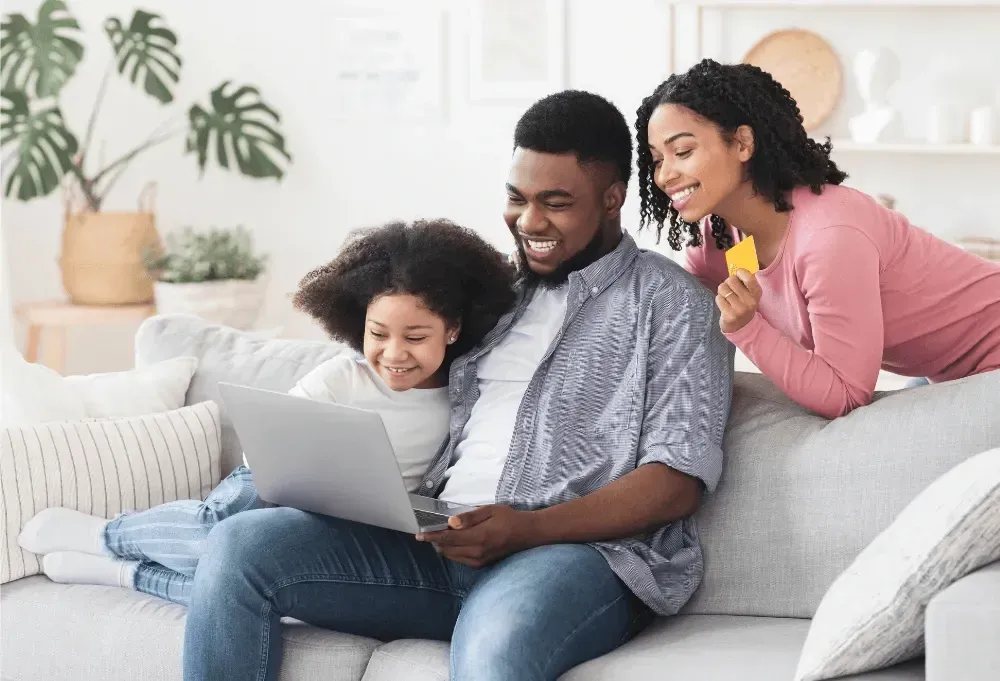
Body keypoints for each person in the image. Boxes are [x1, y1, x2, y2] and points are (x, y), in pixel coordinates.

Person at [180, 91, 733, 681]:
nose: (529, 222)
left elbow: (676, 481)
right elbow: (399, 360)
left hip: (573, 557)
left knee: (497, 645)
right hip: (438, 542)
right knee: (240, 547)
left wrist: (526, 528)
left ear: (613, 197)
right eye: (516, 198)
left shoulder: (674, 306)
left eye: (556, 203)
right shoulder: (492, 296)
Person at [17, 219, 517, 606]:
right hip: (271, 481)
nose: (393, 353)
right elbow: (275, 439)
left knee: (259, 592)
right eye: (378, 334)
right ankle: (104, 535)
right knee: (221, 528)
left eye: (415, 338)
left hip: (352, 523)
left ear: (451, 330)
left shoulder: (462, 398)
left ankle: (121, 573)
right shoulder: (343, 377)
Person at [636, 58, 1000, 419]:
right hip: (939, 374)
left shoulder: (829, 238)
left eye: (682, 151)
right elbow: (682, 332)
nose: (664, 175)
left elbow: (845, 395)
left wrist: (748, 328)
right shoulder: (719, 241)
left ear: (743, 143)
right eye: (655, 160)